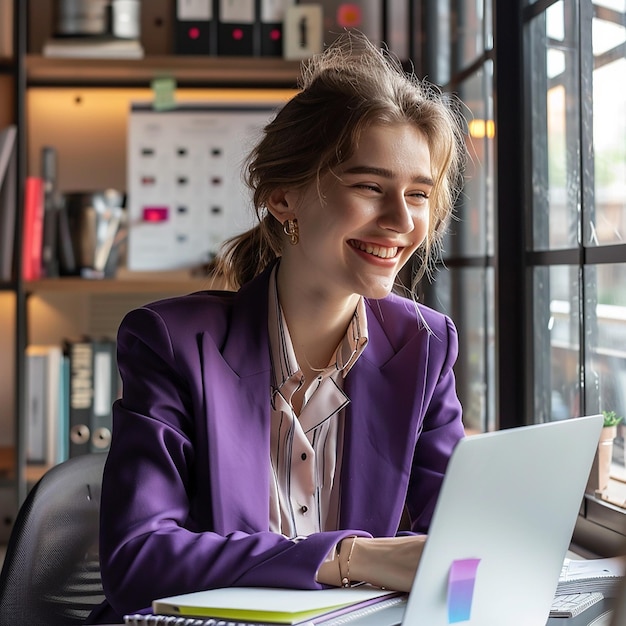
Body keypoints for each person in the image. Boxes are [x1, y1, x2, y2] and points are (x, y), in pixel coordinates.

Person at [87, 31, 467, 624]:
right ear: (284, 196)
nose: (400, 220)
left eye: (419, 194)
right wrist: (348, 557)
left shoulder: (425, 345)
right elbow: (137, 561)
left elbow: (460, 537)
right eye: (369, 186)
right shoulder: (172, 343)